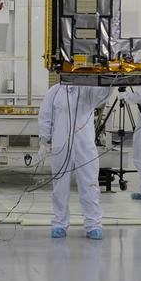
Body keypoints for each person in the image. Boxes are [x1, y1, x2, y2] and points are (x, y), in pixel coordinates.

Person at [38, 83, 112, 240]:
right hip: (61, 145)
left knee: (90, 184)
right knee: (60, 186)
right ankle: (59, 223)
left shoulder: (88, 89)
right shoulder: (54, 92)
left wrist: (110, 80)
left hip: (84, 146)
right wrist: (43, 141)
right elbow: (45, 116)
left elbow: (103, 94)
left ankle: (93, 224)